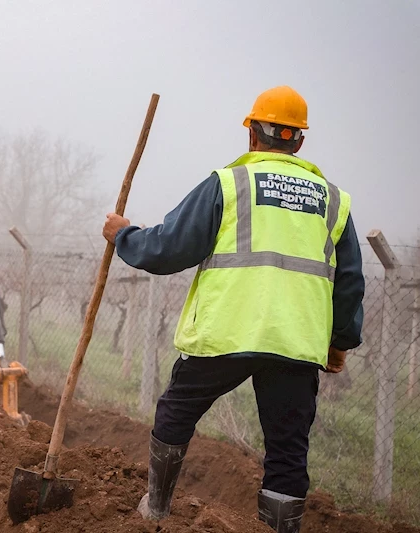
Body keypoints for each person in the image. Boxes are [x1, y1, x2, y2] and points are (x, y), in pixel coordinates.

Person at [101, 86, 364, 533]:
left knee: (176, 412)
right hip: (295, 342)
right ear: (299, 142)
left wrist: (124, 235)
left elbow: (168, 248)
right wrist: (340, 343)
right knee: (286, 451)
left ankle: (156, 511)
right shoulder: (332, 201)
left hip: (226, 333)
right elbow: (349, 281)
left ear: (252, 136)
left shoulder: (229, 184)